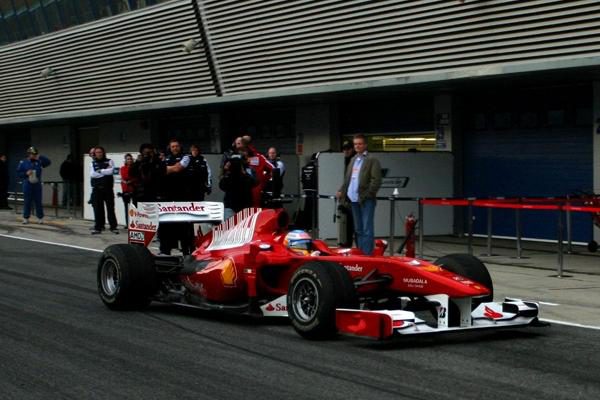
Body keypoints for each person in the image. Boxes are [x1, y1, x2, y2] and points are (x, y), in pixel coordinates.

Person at [336, 134, 382, 255]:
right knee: (358, 229)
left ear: (365, 145)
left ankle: (367, 255)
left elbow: (376, 180)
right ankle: (361, 253)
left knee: (367, 228)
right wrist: (341, 190)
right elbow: (348, 179)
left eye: (360, 143)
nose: (357, 146)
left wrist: (368, 194)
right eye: (355, 144)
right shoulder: (353, 159)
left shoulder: (372, 160)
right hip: (353, 199)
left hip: (366, 199)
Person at [159, 139, 192, 255]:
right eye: (172, 146)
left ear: (180, 147)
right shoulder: (166, 158)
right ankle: (166, 250)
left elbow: (179, 168)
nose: (175, 148)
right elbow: (162, 171)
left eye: (177, 146)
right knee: (168, 223)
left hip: (182, 195)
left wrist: (170, 168)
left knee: (183, 223)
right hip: (168, 195)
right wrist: (172, 168)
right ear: (170, 148)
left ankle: (186, 251)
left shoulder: (186, 157)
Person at [17, 147, 51, 224]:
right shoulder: (23, 162)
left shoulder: (39, 161)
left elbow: (48, 162)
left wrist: (40, 156)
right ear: (29, 154)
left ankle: (40, 218)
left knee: (38, 201)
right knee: (27, 201)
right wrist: (25, 173)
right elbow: (19, 173)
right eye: (32, 154)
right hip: (27, 183)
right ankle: (26, 218)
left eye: (35, 154)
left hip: (37, 184)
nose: (34, 155)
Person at [90, 146, 119, 234]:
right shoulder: (93, 163)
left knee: (110, 208)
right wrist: (104, 171)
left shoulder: (109, 161)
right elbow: (93, 174)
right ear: (95, 154)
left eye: (100, 152)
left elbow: (112, 171)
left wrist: (100, 171)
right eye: (97, 152)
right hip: (97, 189)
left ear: (103, 153)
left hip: (108, 188)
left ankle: (113, 227)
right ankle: (98, 227)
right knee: (98, 209)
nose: (99, 154)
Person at [338, 140, 356, 247]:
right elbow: (347, 179)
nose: (345, 151)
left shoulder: (354, 160)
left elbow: (351, 180)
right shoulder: (346, 160)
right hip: (347, 196)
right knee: (347, 222)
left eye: (348, 149)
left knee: (354, 223)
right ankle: (347, 243)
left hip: (353, 197)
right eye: (344, 149)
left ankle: (352, 244)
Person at [119, 153, 135, 227]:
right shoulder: (122, 168)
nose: (129, 160)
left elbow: (134, 177)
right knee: (126, 207)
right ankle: (127, 223)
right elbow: (124, 176)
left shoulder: (135, 167)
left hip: (134, 189)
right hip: (125, 189)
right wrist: (128, 180)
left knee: (135, 207)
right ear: (125, 160)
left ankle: (135, 222)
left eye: (130, 159)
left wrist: (129, 180)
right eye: (128, 159)